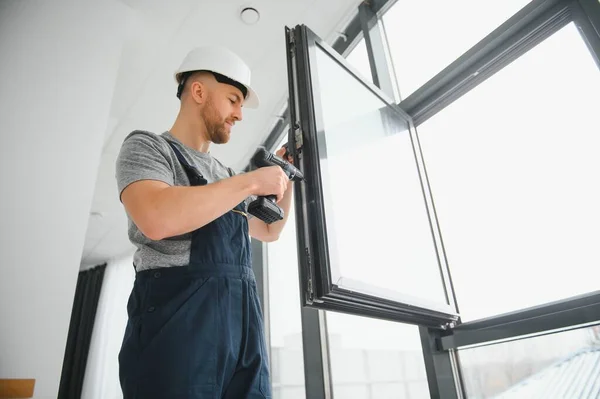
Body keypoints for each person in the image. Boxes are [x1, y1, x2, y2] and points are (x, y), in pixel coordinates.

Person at [115, 45, 293, 399]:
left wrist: (288, 179)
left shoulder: (225, 176)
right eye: (233, 100)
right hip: (178, 327)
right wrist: (252, 181)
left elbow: (268, 230)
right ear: (198, 91)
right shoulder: (148, 148)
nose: (240, 114)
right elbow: (156, 217)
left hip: (242, 327)